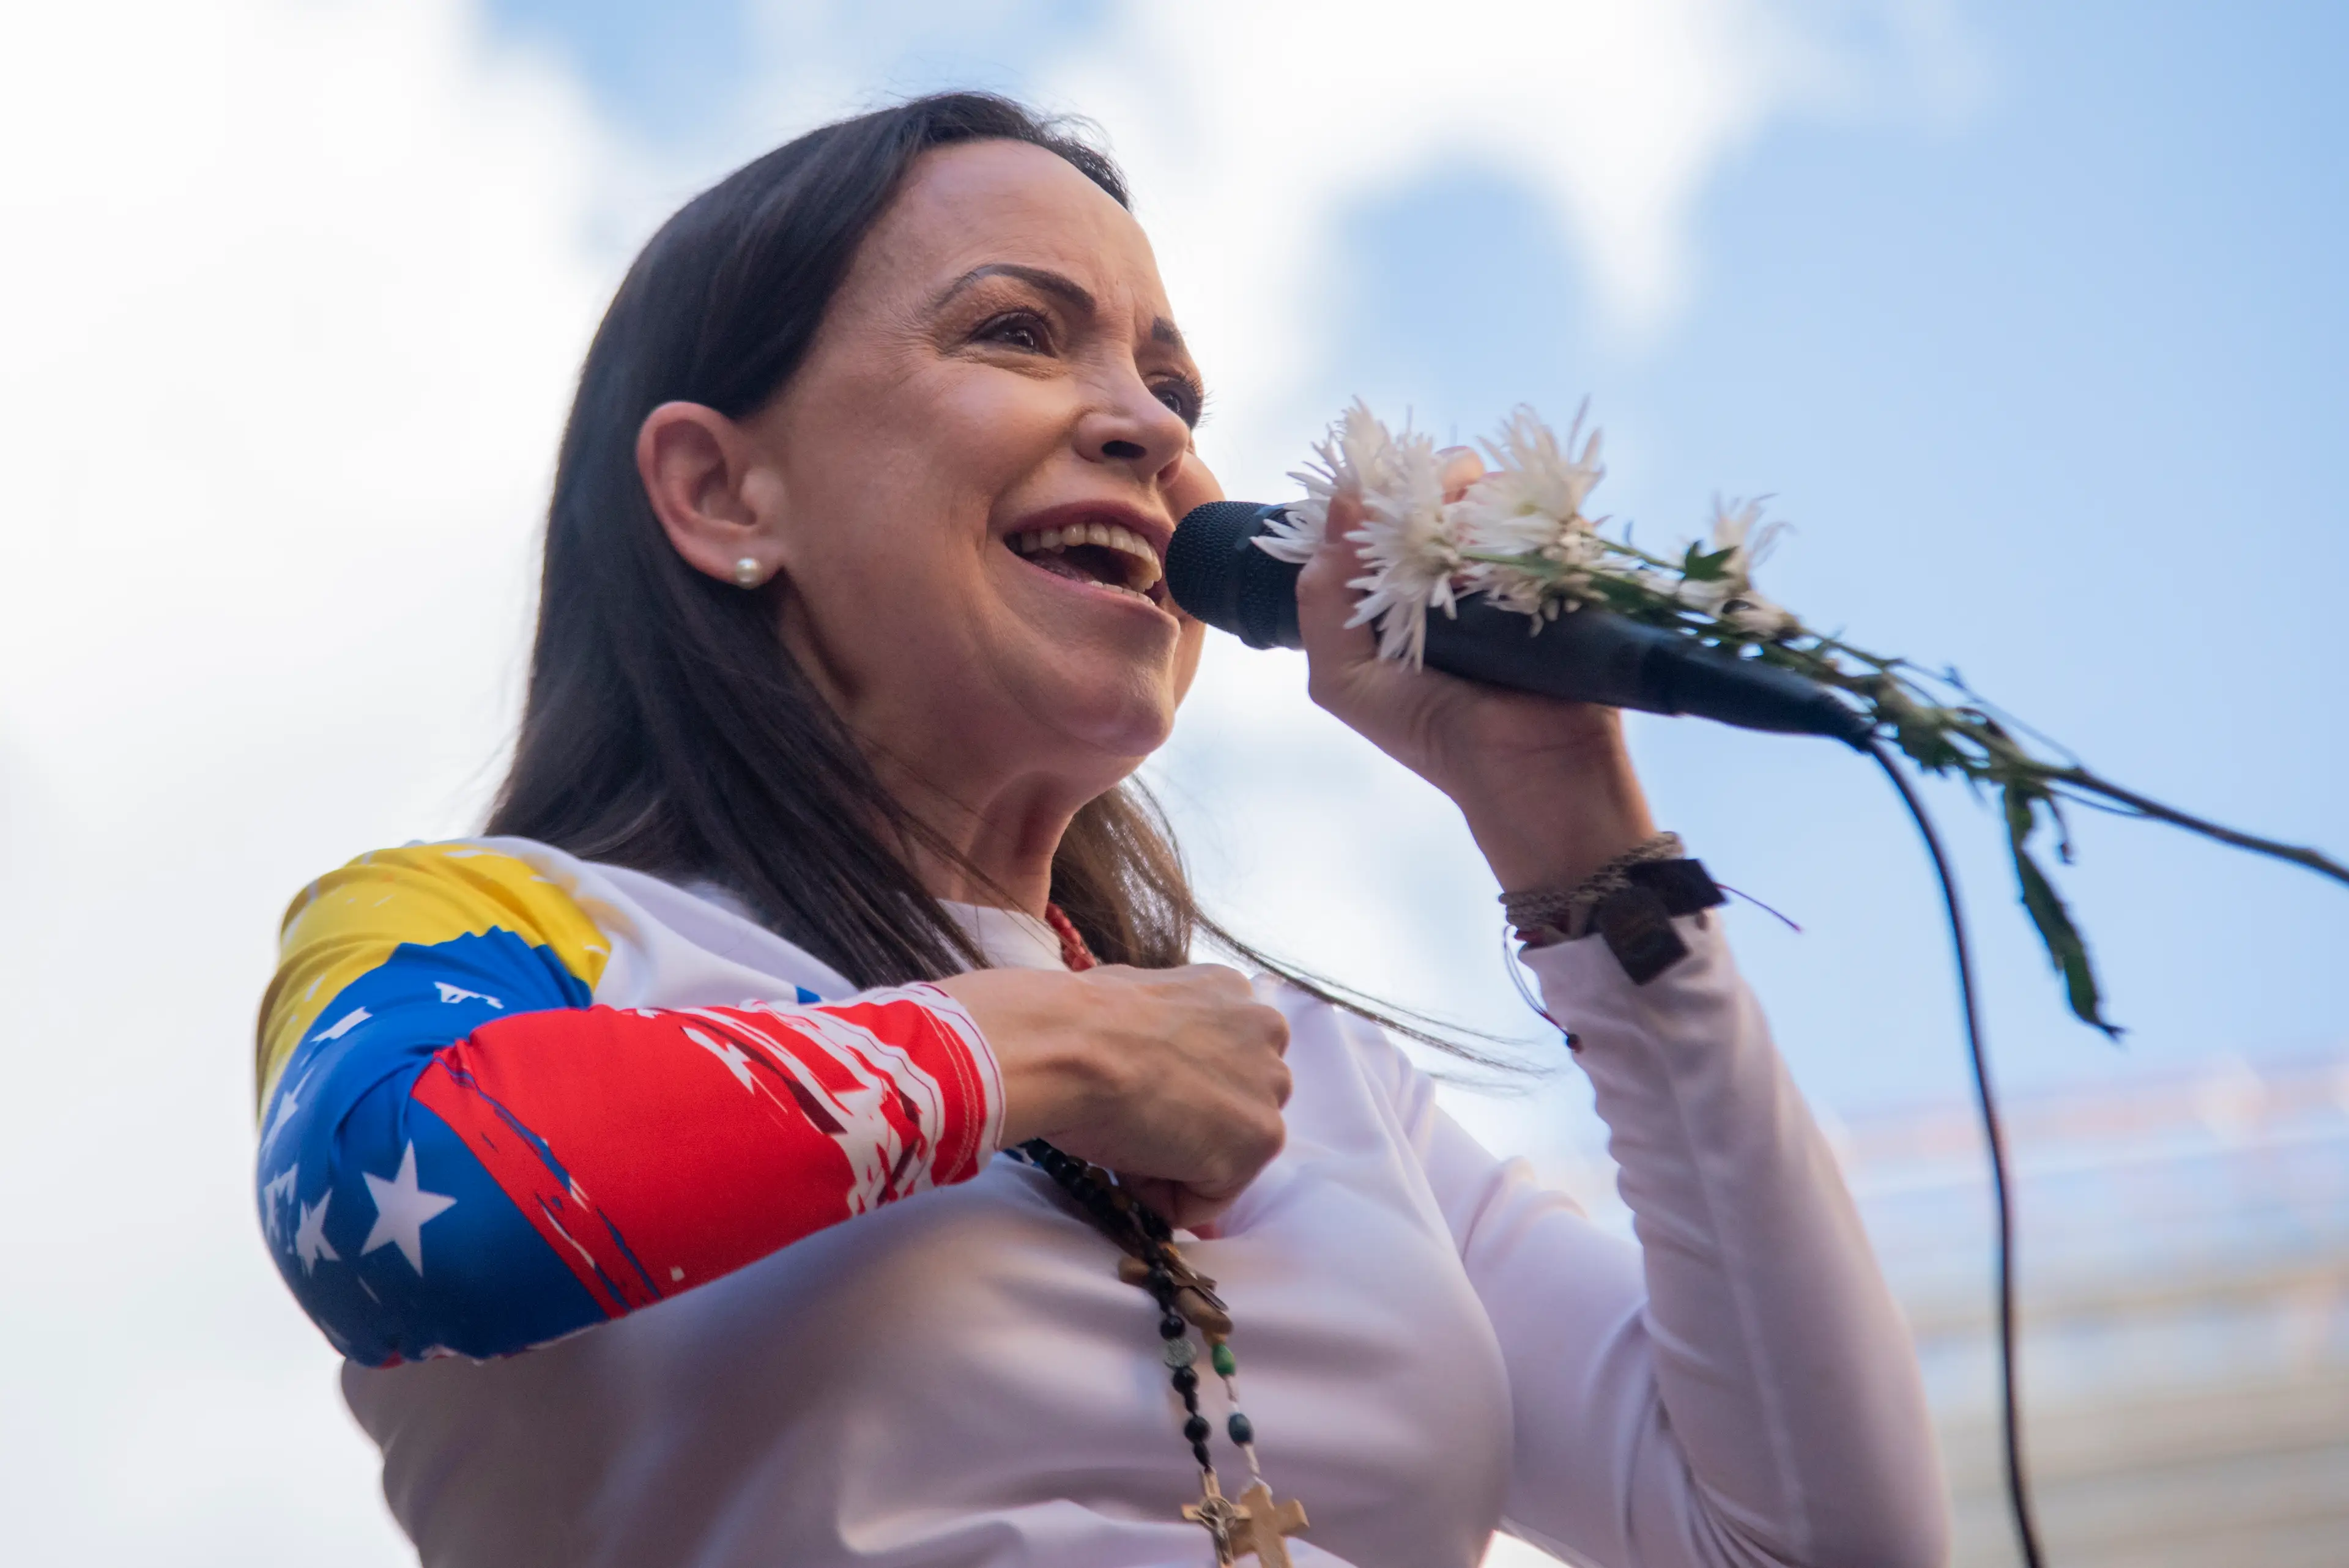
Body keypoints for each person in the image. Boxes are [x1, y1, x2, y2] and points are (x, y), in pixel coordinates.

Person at [252, 92, 1947, 1568]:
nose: (1150, 429)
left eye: (1177, 389)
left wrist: (1586, 848)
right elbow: (399, 1208)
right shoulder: (495, 926)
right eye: (1014, 333)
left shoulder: (1322, 1089)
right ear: (720, 493)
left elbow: (1822, 1540)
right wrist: (1040, 1048)